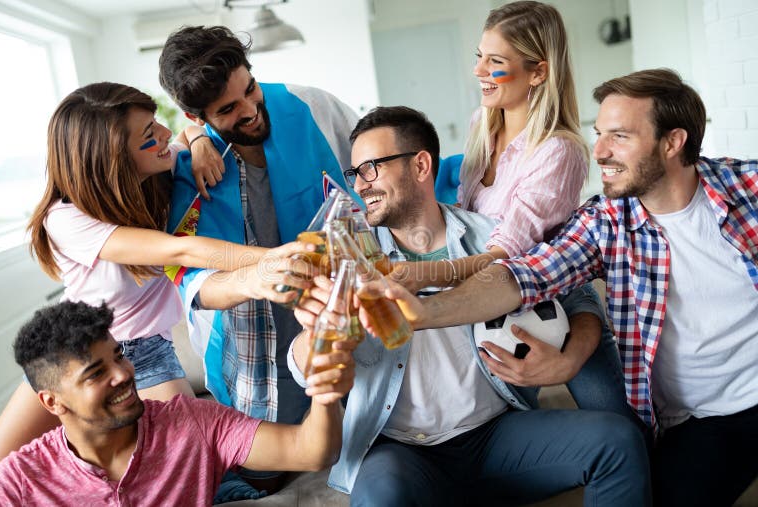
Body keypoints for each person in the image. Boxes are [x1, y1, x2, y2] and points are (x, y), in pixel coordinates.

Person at [382, 69, 758, 507]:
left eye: (619, 136)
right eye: (599, 133)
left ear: (673, 142)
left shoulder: (745, 189)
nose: (598, 151)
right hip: (706, 420)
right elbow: (521, 277)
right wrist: (426, 313)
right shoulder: (605, 223)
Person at [0, 82, 314, 507]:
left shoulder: (158, 175)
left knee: (195, 468)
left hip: (146, 352)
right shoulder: (65, 219)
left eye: (156, 124)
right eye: (148, 134)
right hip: (73, 353)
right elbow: (181, 250)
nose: (163, 134)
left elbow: (186, 136)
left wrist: (197, 137)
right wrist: (277, 258)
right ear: (111, 159)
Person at [289, 106, 650, 506]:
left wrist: (569, 360)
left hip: (496, 437)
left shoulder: (493, 239)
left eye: (371, 168)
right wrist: (319, 331)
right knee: (380, 499)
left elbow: (579, 295)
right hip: (401, 452)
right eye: (355, 173)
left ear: (421, 165)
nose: (361, 185)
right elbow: (302, 366)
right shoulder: (348, 259)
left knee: (618, 441)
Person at [157, 25, 357, 496]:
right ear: (195, 115)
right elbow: (189, 281)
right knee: (264, 477)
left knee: (365, 443)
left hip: (342, 320)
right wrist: (257, 277)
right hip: (254, 352)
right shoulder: (186, 174)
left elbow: (370, 176)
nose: (250, 110)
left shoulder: (312, 107)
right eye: (228, 110)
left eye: (250, 89)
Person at [0, 300, 353, 506]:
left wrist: (325, 391)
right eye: (95, 373)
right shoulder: (20, 481)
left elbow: (310, 452)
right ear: (52, 402)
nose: (123, 374)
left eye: (119, 356)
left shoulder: (192, 423)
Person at [393, 1, 589, 293]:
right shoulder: (481, 126)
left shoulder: (557, 151)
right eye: (479, 56)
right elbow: (466, 216)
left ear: (538, 73)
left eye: (495, 61)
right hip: (474, 287)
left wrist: (424, 273)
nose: (478, 70)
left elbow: (507, 254)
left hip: (522, 299)